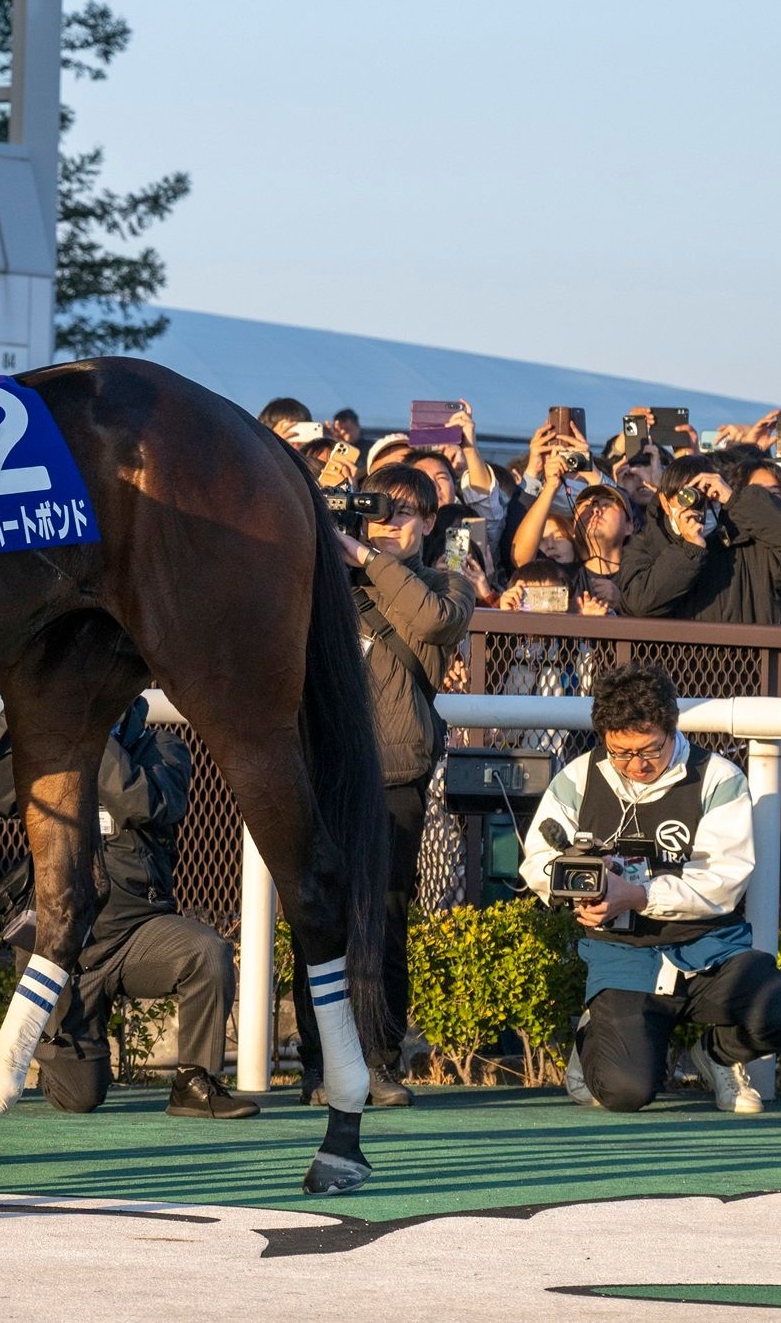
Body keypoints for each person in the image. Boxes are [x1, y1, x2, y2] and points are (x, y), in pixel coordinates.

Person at [518, 664, 781, 1114]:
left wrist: (637, 894)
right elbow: (537, 859)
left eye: (649, 750)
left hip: (710, 952)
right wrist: (579, 891)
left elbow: (723, 882)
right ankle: (593, 1036)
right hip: (623, 955)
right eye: (619, 752)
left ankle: (718, 1055)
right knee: (626, 1092)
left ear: (672, 727)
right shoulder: (579, 775)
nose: (635, 765)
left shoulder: (718, 776)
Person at [0, 698, 258, 1120]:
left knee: (206, 952)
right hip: (61, 946)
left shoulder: (163, 747)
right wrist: (17, 715)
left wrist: (90, 738)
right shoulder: (52, 751)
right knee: (79, 1097)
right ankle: (61, 1056)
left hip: (136, 934)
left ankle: (193, 1083)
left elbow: (141, 803)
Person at [299, 461, 472, 1104]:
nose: (389, 523)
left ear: (430, 521)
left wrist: (366, 556)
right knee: (320, 916)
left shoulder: (447, 583)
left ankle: (380, 1060)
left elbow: (429, 622)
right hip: (323, 767)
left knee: (386, 919)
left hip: (395, 770)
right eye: (378, 510)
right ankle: (320, 1065)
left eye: (404, 513)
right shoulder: (330, 581)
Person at [616, 455, 781, 624]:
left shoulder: (753, 543)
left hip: (746, 666)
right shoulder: (645, 545)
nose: (699, 505)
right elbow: (638, 604)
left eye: (708, 498)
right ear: (665, 503)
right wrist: (688, 551)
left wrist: (733, 499)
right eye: (687, 496)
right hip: (677, 667)